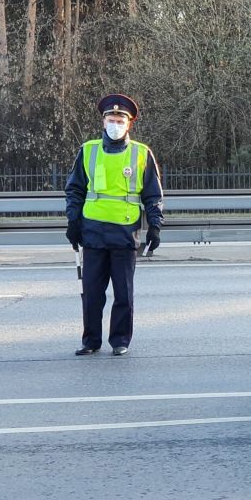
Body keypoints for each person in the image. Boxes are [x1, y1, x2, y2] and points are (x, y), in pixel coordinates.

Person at [65, 93, 164, 357]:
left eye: (120, 120)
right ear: (103, 121)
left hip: (125, 232)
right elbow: (74, 189)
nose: (115, 124)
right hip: (93, 231)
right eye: (111, 119)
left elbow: (153, 195)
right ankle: (91, 340)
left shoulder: (141, 153)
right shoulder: (88, 150)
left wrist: (155, 225)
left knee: (123, 293)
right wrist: (72, 220)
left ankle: (120, 340)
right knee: (92, 293)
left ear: (129, 124)